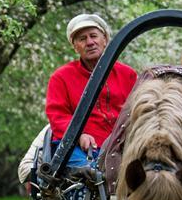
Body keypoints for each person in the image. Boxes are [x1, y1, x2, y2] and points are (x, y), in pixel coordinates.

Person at [46, 13, 137, 168]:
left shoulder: (127, 74)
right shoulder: (60, 77)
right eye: (82, 39)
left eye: (93, 36)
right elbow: (57, 116)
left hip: (124, 144)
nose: (90, 42)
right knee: (88, 173)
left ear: (105, 40)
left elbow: (140, 110)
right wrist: (78, 136)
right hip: (78, 147)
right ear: (75, 47)